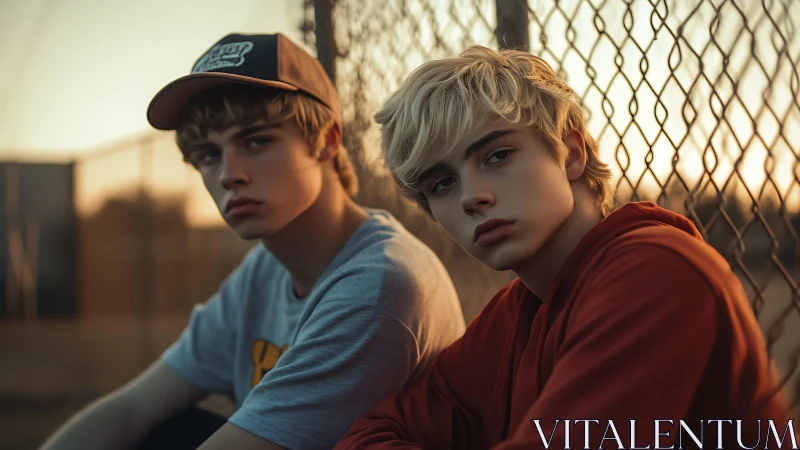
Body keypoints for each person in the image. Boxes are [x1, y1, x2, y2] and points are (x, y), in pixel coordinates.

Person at [335, 45, 796, 449]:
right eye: (442, 183)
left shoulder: (658, 274)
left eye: (497, 156)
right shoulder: (514, 314)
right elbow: (367, 433)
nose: (470, 196)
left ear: (571, 153)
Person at [41, 33, 465, 450]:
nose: (229, 174)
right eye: (209, 154)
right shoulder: (264, 270)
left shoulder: (378, 286)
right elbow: (131, 409)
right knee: (161, 427)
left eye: (257, 141)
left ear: (327, 141)